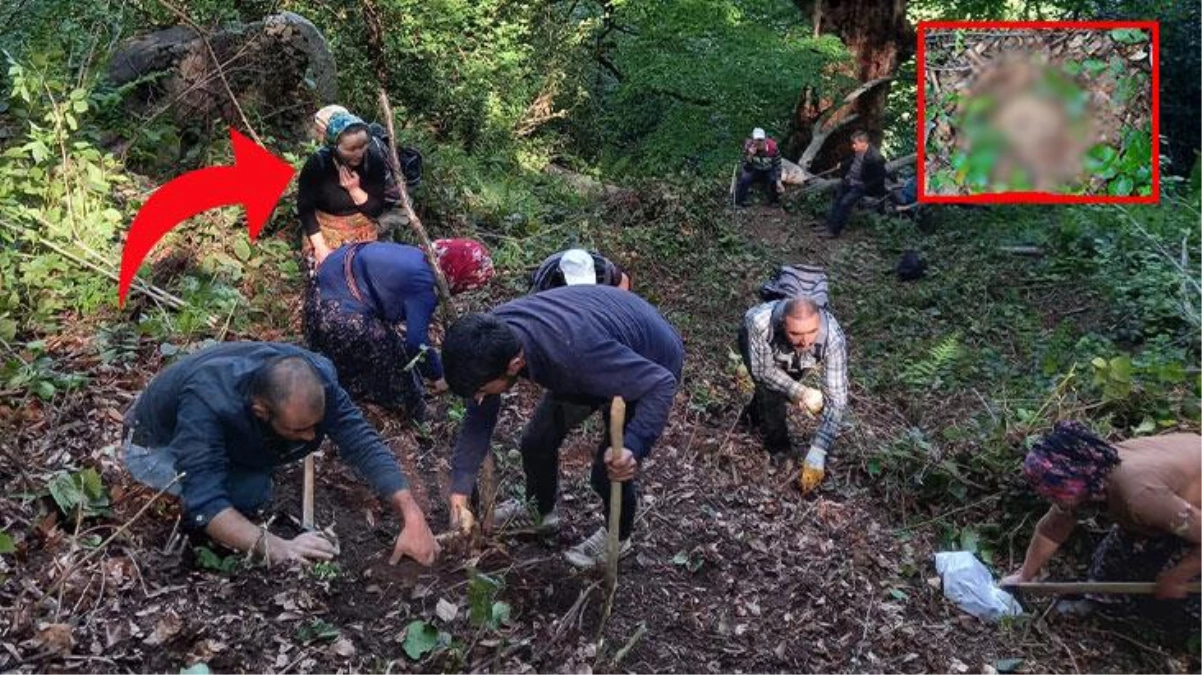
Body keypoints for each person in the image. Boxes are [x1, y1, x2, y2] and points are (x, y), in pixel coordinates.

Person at [120, 342, 439, 566]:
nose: (313, 437)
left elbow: (361, 441)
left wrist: (410, 512)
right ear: (260, 410)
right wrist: (281, 548)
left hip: (227, 422)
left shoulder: (315, 378)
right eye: (300, 429)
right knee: (249, 493)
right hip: (151, 445)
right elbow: (206, 503)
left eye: (315, 426)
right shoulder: (207, 403)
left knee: (257, 480)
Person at [441, 286, 684, 568]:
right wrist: (459, 495)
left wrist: (634, 444)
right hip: (593, 349)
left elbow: (661, 382)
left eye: (482, 390)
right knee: (537, 441)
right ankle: (541, 513)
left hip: (649, 365)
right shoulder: (490, 338)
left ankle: (618, 538)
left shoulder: (574, 357)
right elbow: (478, 422)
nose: (479, 398)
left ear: (515, 364)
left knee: (608, 470)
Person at [1002, 423, 1202, 622]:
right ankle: (1103, 601)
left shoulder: (1138, 496)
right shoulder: (1093, 471)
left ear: (1073, 485)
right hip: (1174, 499)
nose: (1052, 500)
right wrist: (1024, 576)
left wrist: (1178, 577)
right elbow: (1053, 528)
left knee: (1184, 601)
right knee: (1122, 546)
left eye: (1056, 494)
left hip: (1184, 504)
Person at [304, 239, 494, 418]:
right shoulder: (425, 283)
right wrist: (438, 375)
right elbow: (416, 342)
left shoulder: (418, 255)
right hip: (336, 313)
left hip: (322, 286)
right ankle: (412, 409)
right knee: (393, 355)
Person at [738, 296, 848, 494]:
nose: (805, 341)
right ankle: (778, 448)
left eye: (812, 332)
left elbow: (837, 399)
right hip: (755, 342)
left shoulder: (833, 337)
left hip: (791, 355)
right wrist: (801, 392)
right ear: (782, 324)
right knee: (771, 392)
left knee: (786, 384)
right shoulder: (759, 323)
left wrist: (819, 449)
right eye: (796, 333)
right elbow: (764, 373)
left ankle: (750, 417)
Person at [297, 112, 399, 267]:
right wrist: (320, 248)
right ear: (335, 146)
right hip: (324, 228)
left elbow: (377, 209)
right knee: (326, 272)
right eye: (351, 149)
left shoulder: (373, 160)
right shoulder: (318, 164)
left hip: (361, 228)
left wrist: (355, 190)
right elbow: (305, 209)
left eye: (363, 145)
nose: (359, 153)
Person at [820, 130, 887, 238]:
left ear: (863, 143)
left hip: (860, 185)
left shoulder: (875, 158)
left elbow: (880, 177)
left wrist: (865, 186)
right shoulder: (859, 151)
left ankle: (834, 231)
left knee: (845, 203)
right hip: (849, 180)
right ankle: (828, 226)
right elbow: (853, 160)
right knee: (837, 200)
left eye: (855, 143)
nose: (853, 146)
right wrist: (842, 164)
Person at [529, 248, 631, 293]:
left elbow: (624, 280)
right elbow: (533, 305)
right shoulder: (547, 276)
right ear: (561, 274)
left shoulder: (603, 269)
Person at [735, 128, 784, 207]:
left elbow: (777, 165)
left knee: (773, 180)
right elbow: (746, 168)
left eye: (761, 140)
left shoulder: (773, 147)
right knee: (744, 178)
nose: (759, 142)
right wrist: (750, 156)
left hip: (768, 169)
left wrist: (778, 180)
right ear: (753, 140)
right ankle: (740, 201)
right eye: (756, 140)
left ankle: (774, 201)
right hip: (754, 169)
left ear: (765, 139)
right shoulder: (748, 147)